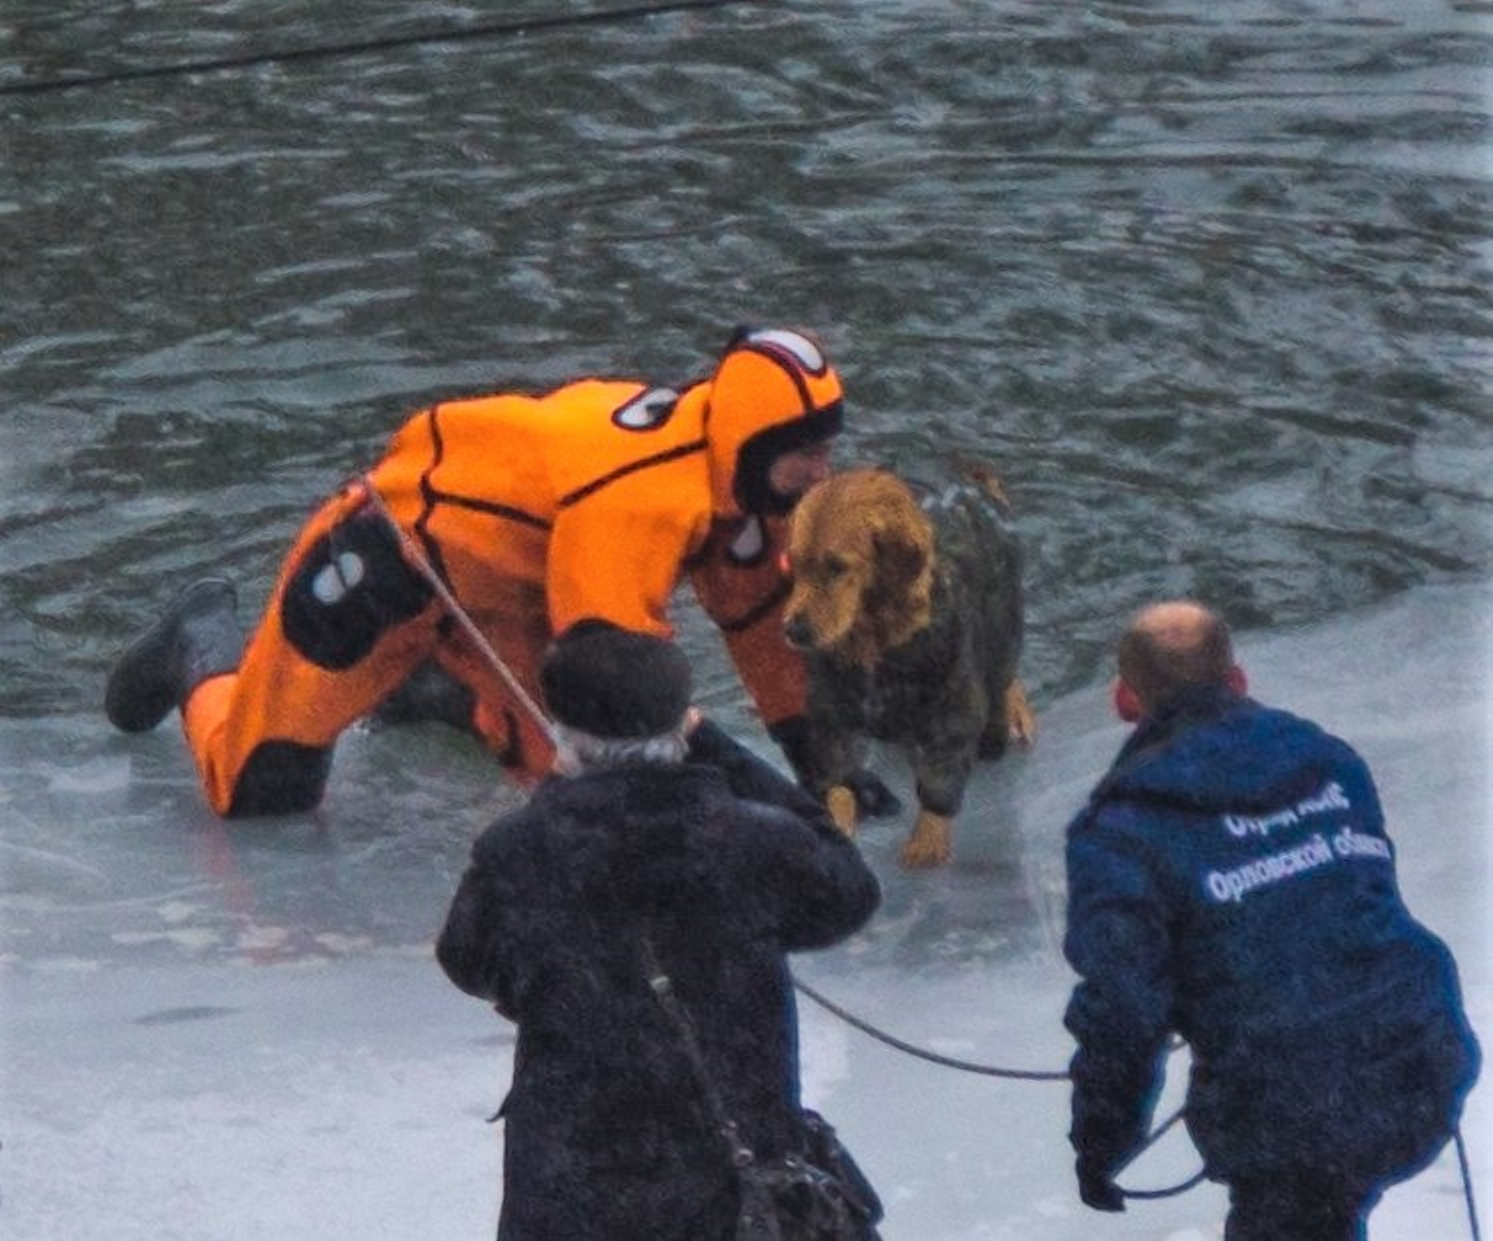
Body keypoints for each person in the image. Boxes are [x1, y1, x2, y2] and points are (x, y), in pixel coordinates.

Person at [103, 326, 886, 819]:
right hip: (391, 563)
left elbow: (759, 628)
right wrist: (764, 797)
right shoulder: (639, 502)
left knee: (575, 791)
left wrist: (823, 769)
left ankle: (443, 688)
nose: (823, 473)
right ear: (752, 441)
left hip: (513, 599)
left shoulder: (747, 484)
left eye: (826, 450)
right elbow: (616, 686)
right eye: (807, 455)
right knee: (260, 793)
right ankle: (199, 650)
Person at [436, 622, 882, 1241]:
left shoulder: (519, 853)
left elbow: (466, 957)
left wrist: (560, 792)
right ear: (679, 720)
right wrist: (719, 747)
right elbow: (849, 889)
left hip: (574, 1188)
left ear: (562, 730)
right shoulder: (750, 841)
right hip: (727, 1181)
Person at [1062, 600, 1480, 1240]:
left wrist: (1102, 1144)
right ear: (1238, 679)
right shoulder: (1328, 760)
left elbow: (1123, 1012)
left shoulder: (1121, 833)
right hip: (1418, 1055)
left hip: (1288, 1107)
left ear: (1126, 699)